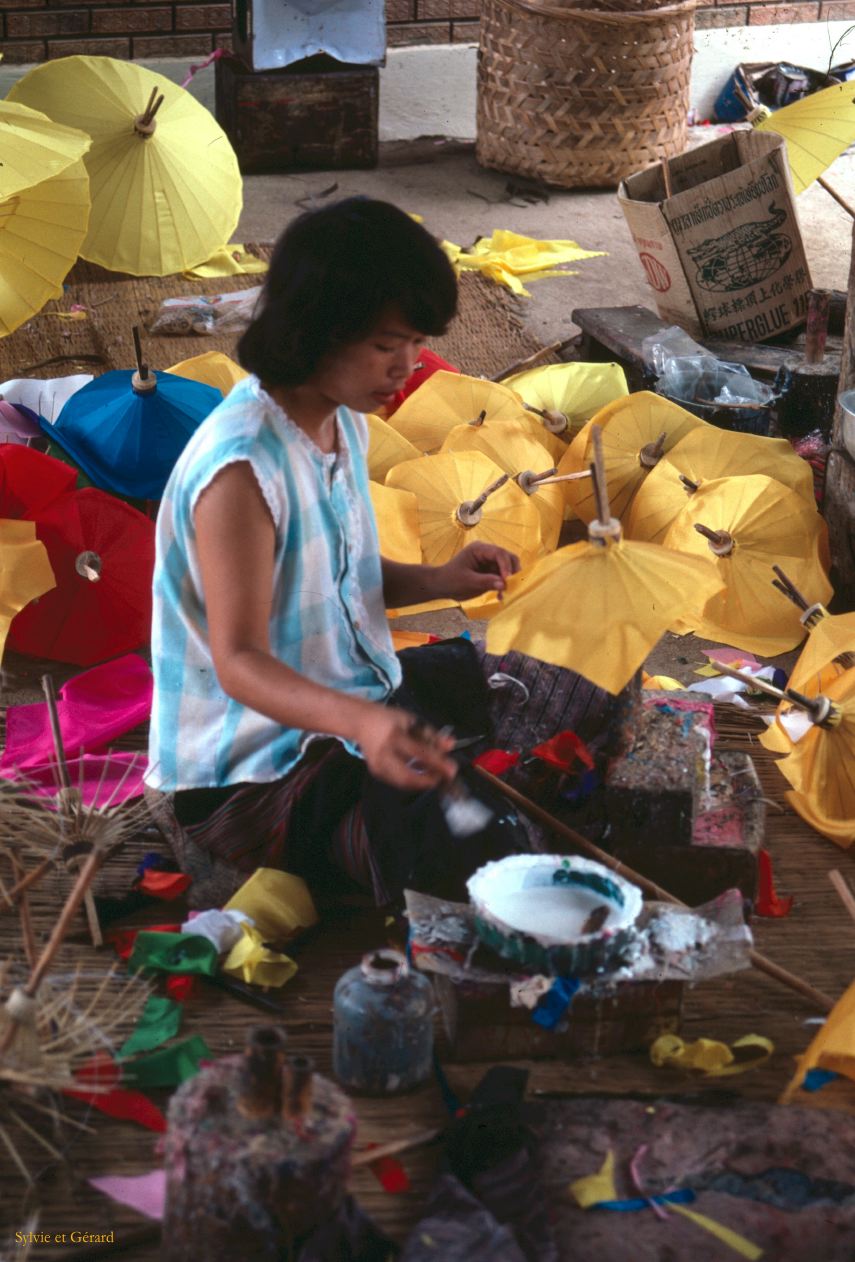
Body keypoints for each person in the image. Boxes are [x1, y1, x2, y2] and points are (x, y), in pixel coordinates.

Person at [145, 198, 524, 907]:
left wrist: (440, 578)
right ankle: (329, 840)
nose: (406, 367)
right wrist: (364, 724)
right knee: (472, 847)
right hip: (255, 770)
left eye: (414, 343)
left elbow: (339, 583)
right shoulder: (241, 470)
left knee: (540, 681)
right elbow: (240, 661)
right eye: (388, 345)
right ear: (316, 330)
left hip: (353, 700)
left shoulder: (339, 423)